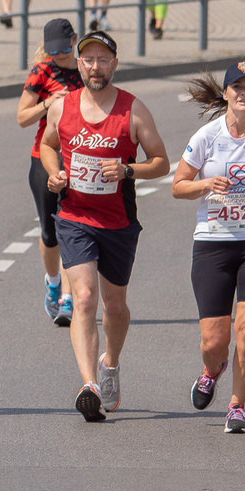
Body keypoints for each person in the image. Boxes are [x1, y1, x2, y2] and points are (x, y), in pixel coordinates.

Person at [39, 31, 169, 421]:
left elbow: (161, 161)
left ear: (114, 63)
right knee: (83, 298)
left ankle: (110, 362)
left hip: (118, 222)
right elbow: (47, 146)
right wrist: (54, 173)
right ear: (79, 64)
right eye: (88, 60)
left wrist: (129, 169)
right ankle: (89, 383)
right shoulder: (62, 108)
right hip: (75, 217)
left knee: (114, 305)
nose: (95, 67)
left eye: (103, 60)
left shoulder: (133, 110)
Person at [172, 62, 245, 434]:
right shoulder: (207, 136)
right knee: (214, 341)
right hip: (213, 246)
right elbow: (178, 185)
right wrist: (206, 184)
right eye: (236, 87)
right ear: (225, 94)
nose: (244, 93)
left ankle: (237, 406)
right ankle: (212, 369)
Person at [16, 19, 84, 326]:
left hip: (79, 159)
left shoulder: (87, 69)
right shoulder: (42, 72)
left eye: (65, 49)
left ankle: (68, 300)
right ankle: (54, 282)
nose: (60, 55)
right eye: (53, 51)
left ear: (75, 40)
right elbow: (22, 117)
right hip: (44, 158)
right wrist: (48, 104)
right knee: (49, 232)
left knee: (70, 227)